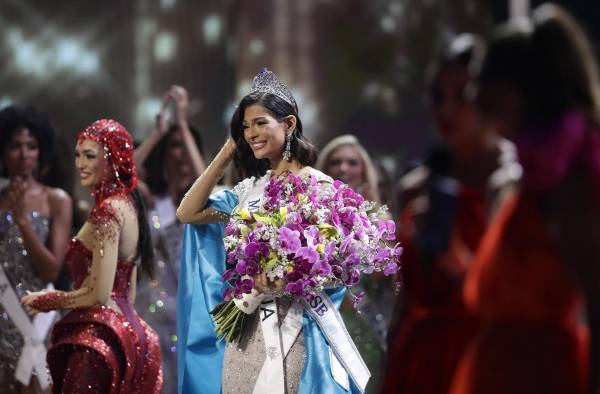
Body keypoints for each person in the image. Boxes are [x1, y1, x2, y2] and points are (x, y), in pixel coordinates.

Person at [176, 68, 368, 394]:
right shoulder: (248, 191)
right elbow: (188, 212)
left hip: (298, 332)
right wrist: (228, 149)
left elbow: (339, 265)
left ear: (289, 124)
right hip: (247, 334)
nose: (252, 133)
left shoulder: (318, 186)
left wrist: (289, 278)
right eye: (245, 126)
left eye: (261, 123)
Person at [449, 5, 600, 394]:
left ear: (510, 94)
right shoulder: (524, 180)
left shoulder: (570, 185)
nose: (470, 94)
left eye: (480, 80)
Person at [381, 33, 520, 394]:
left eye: (461, 95)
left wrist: (456, 260)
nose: (446, 110)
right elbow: (405, 296)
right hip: (417, 357)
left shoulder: (513, 177)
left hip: (481, 356)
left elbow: (520, 299)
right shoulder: (415, 185)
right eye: (437, 96)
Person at [21, 119, 162, 393]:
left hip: (99, 339)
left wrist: (47, 300)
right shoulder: (129, 206)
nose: (80, 164)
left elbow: (98, 294)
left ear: (113, 160)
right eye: (77, 155)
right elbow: (127, 292)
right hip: (133, 334)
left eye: (89, 156)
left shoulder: (108, 213)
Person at [134, 85, 206, 393]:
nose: (181, 153)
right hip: (155, 319)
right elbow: (123, 173)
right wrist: (157, 135)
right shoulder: (153, 201)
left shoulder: (210, 204)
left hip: (197, 319)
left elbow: (207, 177)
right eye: (173, 146)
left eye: (185, 145)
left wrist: (184, 120)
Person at [0, 105, 73, 394]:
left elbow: (53, 270)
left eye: (32, 145)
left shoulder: (56, 200)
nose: (24, 154)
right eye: (15, 146)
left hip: (38, 323)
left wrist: (22, 223)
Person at [316, 134, 390, 393]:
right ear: (324, 167)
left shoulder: (380, 219)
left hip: (363, 328)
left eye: (352, 162)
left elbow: (388, 278)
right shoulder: (307, 213)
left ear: (363, 170)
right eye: (336, 162)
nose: (344, 168)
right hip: (319, 324)